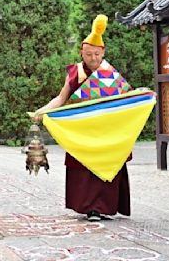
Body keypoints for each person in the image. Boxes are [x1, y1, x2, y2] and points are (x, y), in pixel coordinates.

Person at [34, 15, 131, 222]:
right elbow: (61, 98)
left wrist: (145, 95)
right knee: (85, 171)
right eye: (88, 54)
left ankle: (106, 207)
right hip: (84, 130)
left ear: (103, 52)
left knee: (106, 166)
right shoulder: (76, 72)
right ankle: (91, 208)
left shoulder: (110, 74)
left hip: (106, 131)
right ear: (81, 52)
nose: (93, 59)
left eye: (96, 54)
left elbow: (127, 99)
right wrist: (41, 112)